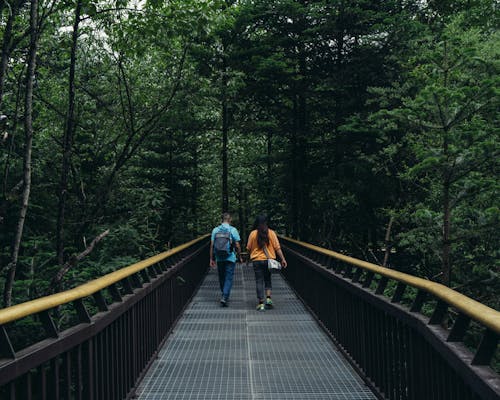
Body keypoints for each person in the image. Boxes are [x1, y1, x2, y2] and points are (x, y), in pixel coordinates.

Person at [246, 215, 287, 311]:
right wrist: (283, 259)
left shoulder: (253, 234)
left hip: (256, 260)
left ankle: (261, 303)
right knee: (267, 279)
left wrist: (248, 260)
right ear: (266, 222)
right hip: (268, 260)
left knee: (259, 281)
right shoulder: (271, 233)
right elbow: (277, 248)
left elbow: (248, 248)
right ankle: (268, 299)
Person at [210, 213, 242, 307]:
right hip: (230, 257)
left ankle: (224, 294)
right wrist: (239, 256)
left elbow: (212, 245)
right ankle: (225, 296)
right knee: (229, 277)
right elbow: (237, 245)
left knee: (221, 277)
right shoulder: (233, 230)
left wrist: (211, 258)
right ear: (230, 220)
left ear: (221, 220)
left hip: (219, 258)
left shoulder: (215, 230)